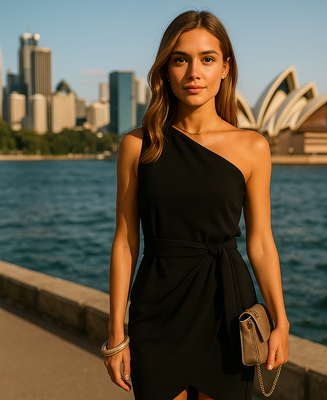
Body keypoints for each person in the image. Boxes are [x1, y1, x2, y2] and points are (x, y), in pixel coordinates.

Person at [104, 10, 289, 400]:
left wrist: (281, 319)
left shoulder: (253, 146)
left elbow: (260, 242)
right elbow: (124, 242)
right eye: (180, 59)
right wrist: (116, 332)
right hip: (157, 309)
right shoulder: (138, 146)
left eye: (207, 59)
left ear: (225, 68)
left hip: (227, 306)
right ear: (165, 69)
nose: (193, 72)